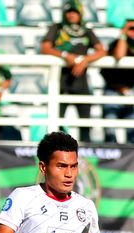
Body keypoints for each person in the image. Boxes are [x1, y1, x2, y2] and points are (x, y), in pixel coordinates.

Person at [40, 1, 105, 143]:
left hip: (81, 84)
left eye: (74, 12)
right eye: (68, 12)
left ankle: (86, 158)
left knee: (85, 125)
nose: (71, 15)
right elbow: (45, 47)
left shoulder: (86, 29)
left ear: (80, 13)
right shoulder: (57, 28)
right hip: (60, 83)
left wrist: (85, 60)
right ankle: (57, 156)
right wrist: (65, 55)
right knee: (57, 126)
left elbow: (101, 51)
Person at [100, 19, 134, 144]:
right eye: (130, 29)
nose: (132, 32)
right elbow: (119, 55)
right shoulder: (116, 43)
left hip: (131, 90)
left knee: (132, 133)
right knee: (110, 131)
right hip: (113, 89)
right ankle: (110, 161)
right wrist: (123, 34)